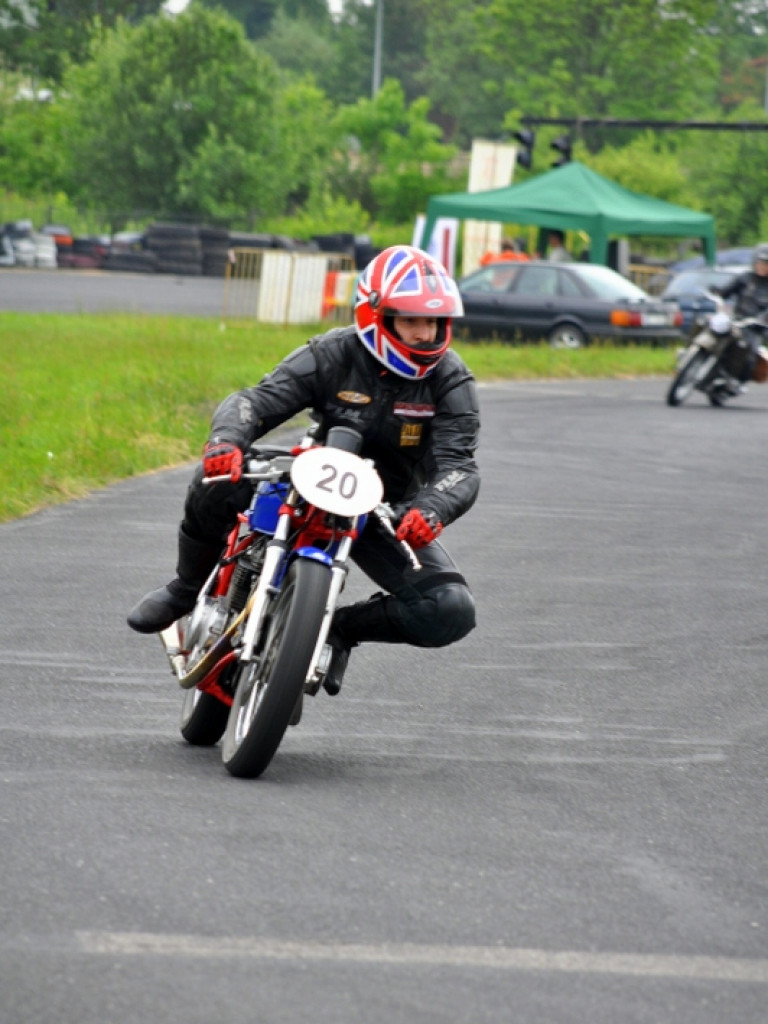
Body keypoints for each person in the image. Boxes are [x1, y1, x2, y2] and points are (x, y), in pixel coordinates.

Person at [127, 245, 480, 695]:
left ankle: (339, 629)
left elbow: (460, 466)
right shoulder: (331, 352)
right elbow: (254, 400)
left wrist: (431, 509)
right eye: (410, 320)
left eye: (433, 322)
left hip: (384, 512)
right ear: (375, 314)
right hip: (302, 482)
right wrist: (226, 442)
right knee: (213, 480)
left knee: (449, 609)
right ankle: (185, 587)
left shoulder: (450, 380)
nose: (424, 333)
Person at [712, 242, 768, 384]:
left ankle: (737, 380)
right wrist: (718, 293)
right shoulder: (745, 278)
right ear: (754, 262)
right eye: (760, 262)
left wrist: (762, 318)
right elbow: (727, 291)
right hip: (736, 319)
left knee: (747, 352)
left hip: (754, 327)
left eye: (766, 264)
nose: (762, 266)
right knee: (710, 328)